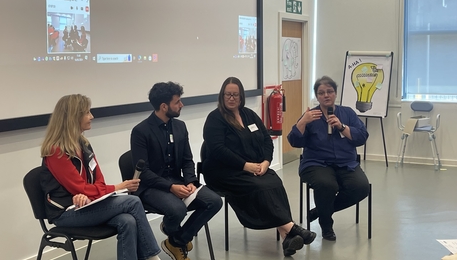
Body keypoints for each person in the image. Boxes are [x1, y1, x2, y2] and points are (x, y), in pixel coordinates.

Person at [202, 76, 316, 257]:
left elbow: (266, 140)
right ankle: (291, 227)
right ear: (222, 96)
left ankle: (286, 237)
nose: (231, 98)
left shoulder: (249, 114)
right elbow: (217, 150)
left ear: (241, 97)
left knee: (275, 181)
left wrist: (266, 162)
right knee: (260, 186)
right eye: (227, 94)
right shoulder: (215, 119)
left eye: (235, 95)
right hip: (223, 171)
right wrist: (245, 165)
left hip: (254, 166)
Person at [39, 94, 161, 260]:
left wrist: (88, 195)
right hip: (65, 213)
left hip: (86, 205)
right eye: (87, 113)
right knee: (132, 201)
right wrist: (117, 187)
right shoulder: (56, 151)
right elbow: (79, 188)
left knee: (127, 220)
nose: (92, 117)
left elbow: (98, 181)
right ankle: (152, 257)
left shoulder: (84, 144)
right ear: (73, 117)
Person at [131, 82, 222, 260]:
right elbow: (145, 172)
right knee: (178, 209)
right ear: (164, 106)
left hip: (178, 181)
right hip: (151, 187)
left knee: (214, 201)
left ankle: (176, 240)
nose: (182, 105)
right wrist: (171, 187)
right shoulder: (140, 132)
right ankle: (176, 234)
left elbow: (187, 160)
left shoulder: (180, 127)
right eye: (177, 102)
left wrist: (190, 182)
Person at [287, 75, 370, 241]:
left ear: (335, 93)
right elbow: (294, 141)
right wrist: (303, 122)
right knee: (326, 185)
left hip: (346, 164)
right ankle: (326, 226)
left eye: (330, 91)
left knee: (361, 187)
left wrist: (341, 126)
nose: (326, 95)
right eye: (321, 92)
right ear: (317, 96)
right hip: (316, 164)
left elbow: (362, 136)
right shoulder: (311, 116)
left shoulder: (347, 113)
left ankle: (319, 211)